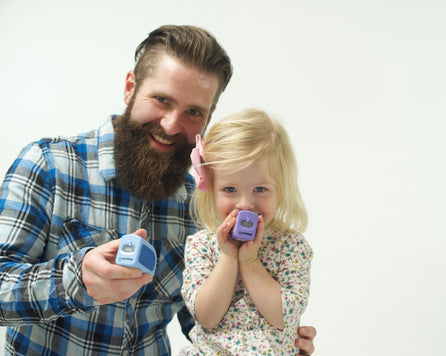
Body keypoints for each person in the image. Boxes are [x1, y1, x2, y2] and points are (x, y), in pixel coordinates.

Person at [0, 25, 316, 355]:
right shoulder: (50, 165)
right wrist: (76, 279)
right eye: (161, 99)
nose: (171, 125)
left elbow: (204, 321)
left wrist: (270, 338)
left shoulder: (198, 204)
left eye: (194, 111)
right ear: (130, 88)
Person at [180, 108, 312, 355]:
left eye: (260, 189)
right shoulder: (201, 245)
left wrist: (250, 262)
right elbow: (206, 317)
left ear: (281, 189)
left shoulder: (291, 247)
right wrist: (228, 257)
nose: (244, 204)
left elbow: (284, 316)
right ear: (211, 189)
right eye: (230, 189)